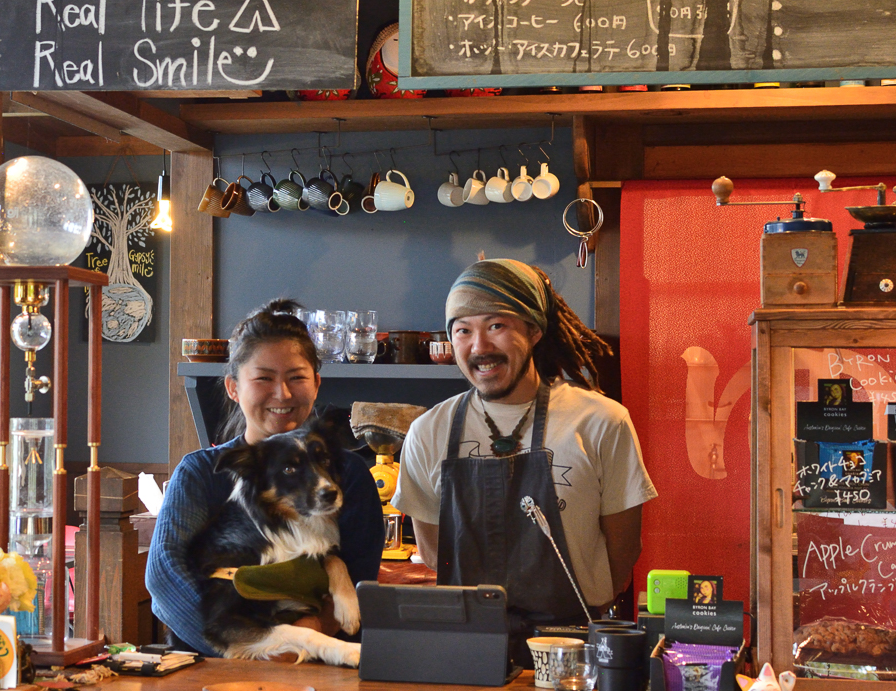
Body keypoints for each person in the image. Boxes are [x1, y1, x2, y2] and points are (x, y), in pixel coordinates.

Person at [392, 259, 656, 660]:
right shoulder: (429, 431)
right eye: (463, 330)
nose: (479, 347)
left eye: (496, 326)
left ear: (533, 330)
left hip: (571, 647)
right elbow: (431, 552)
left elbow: (624, 550)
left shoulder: (601, 421)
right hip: (465, 646)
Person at [146, 299, 384, 656]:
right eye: (263, 379)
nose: (282, 394)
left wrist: (311, 632)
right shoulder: (199, 473)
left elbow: (359, 582)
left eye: (296, 378)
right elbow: (165, 574)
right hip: (209, 674)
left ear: (316, 384)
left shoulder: (349, 474)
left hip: (326, 667)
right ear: (233, 387)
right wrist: (246, 643)